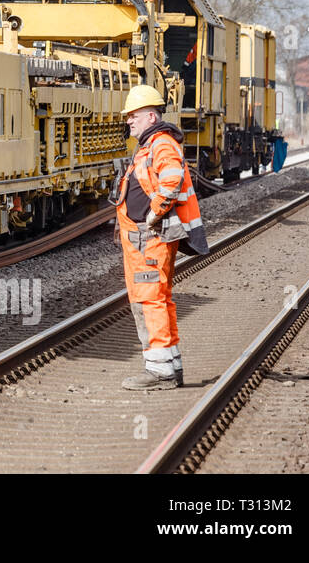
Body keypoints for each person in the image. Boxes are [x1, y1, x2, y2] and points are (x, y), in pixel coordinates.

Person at [112, 84, 209, 391]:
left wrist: (154, 212)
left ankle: (160, 372)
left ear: (151, 116)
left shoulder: (161, 144)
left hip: (149, 240)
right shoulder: (151, 144)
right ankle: (170, 363)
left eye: (135, 115)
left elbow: (171, 179)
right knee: (159, 298)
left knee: (149, 300)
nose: (130, 121)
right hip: (142, 241)